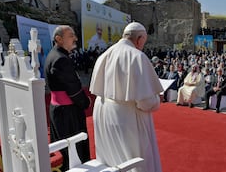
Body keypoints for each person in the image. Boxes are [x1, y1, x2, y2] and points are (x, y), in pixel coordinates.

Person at [89, 22, 163, 171]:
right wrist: (157, 100)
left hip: (102, 110)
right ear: (140, 38)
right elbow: (145, 102)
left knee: (110, 157)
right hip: (125, 117)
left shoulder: (105, 54)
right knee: (133, 160)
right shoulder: (137, 56)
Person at [44, 25, 91, 171]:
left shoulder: (55, 54)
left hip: (60, 110)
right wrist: (86, 102)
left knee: (62, 146)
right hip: (68, 112)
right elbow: (74, 89)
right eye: (71, 36)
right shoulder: (61, 59)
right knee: (72, 150)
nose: (75, 38)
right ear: (59, 39)